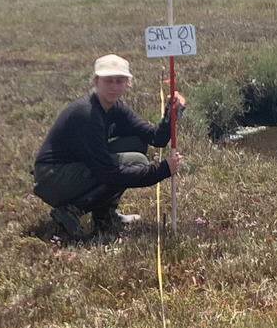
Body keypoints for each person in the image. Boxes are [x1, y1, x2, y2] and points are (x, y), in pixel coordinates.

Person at [32, 54, 187, 239]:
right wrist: (162, 170)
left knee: (135, 143)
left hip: (71, 170)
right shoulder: (86, 114)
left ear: (127, 83)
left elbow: (156, 138)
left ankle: (105, 216)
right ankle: (72, 210)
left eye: (119, 81)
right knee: (136, 161)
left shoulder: (116, 108)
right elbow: (108, 173)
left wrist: (172, 114)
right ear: (96, 81)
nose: (114, 87)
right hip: (53, 179)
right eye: (108, 81)